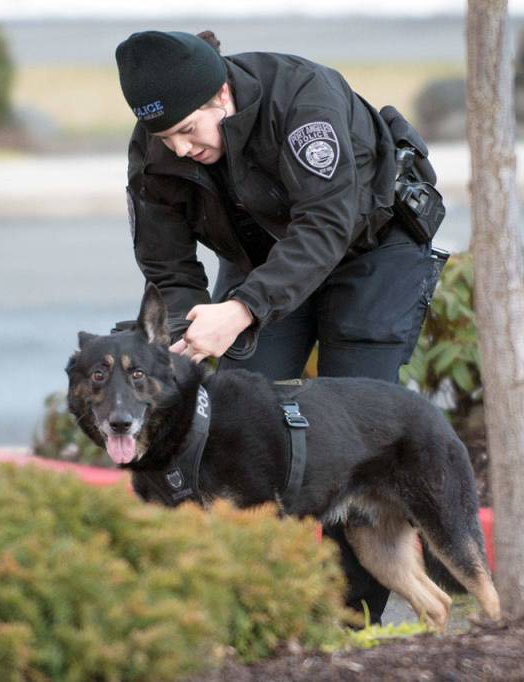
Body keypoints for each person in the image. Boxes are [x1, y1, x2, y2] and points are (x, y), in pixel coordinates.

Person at [115, 29, 448, 624]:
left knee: (356, 424)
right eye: (167, 138)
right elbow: (166, 260)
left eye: (190, 131)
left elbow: (326, 223)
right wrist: (191, 326)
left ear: (222, 94)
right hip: (263, 264)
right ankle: (262, 603)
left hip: (369, 250)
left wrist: (241, 310)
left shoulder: (302, 101)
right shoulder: (156, 147)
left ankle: (356, 624)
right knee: (243, 423)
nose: (182, 149)